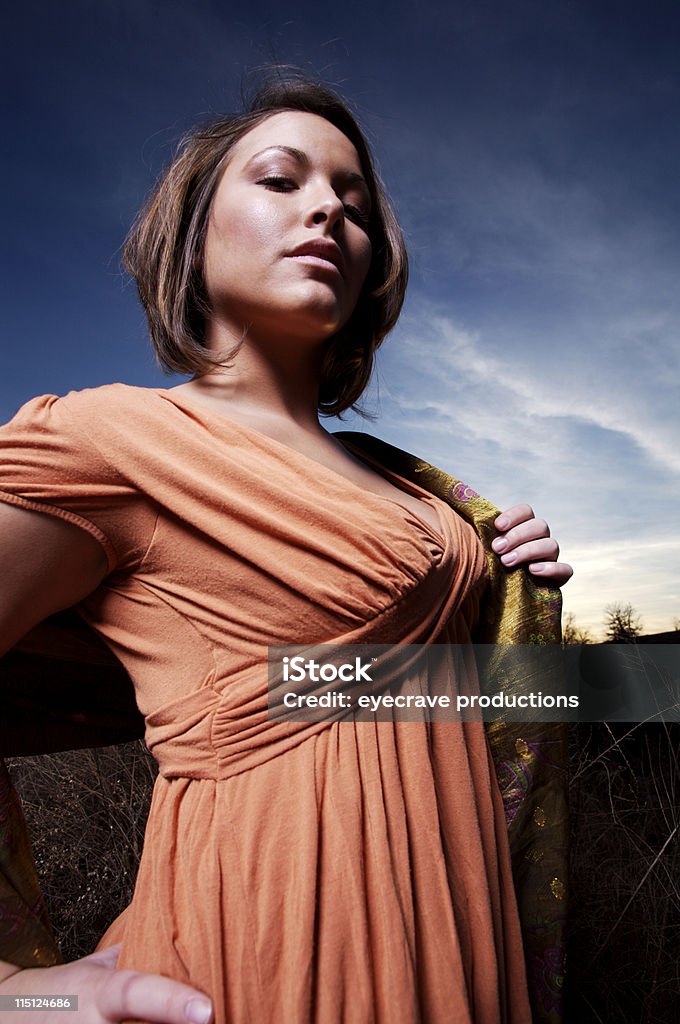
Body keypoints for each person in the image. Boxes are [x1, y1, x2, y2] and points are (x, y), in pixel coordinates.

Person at [0, 73, 572, 1024]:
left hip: (467, 937)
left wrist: (503, 587)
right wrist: (19, 1000)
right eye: (281, 180)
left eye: (354, 203)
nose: (329, 211)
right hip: (266, 949)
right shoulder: (110, 442)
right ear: (194, 235)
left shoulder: (414, 491)